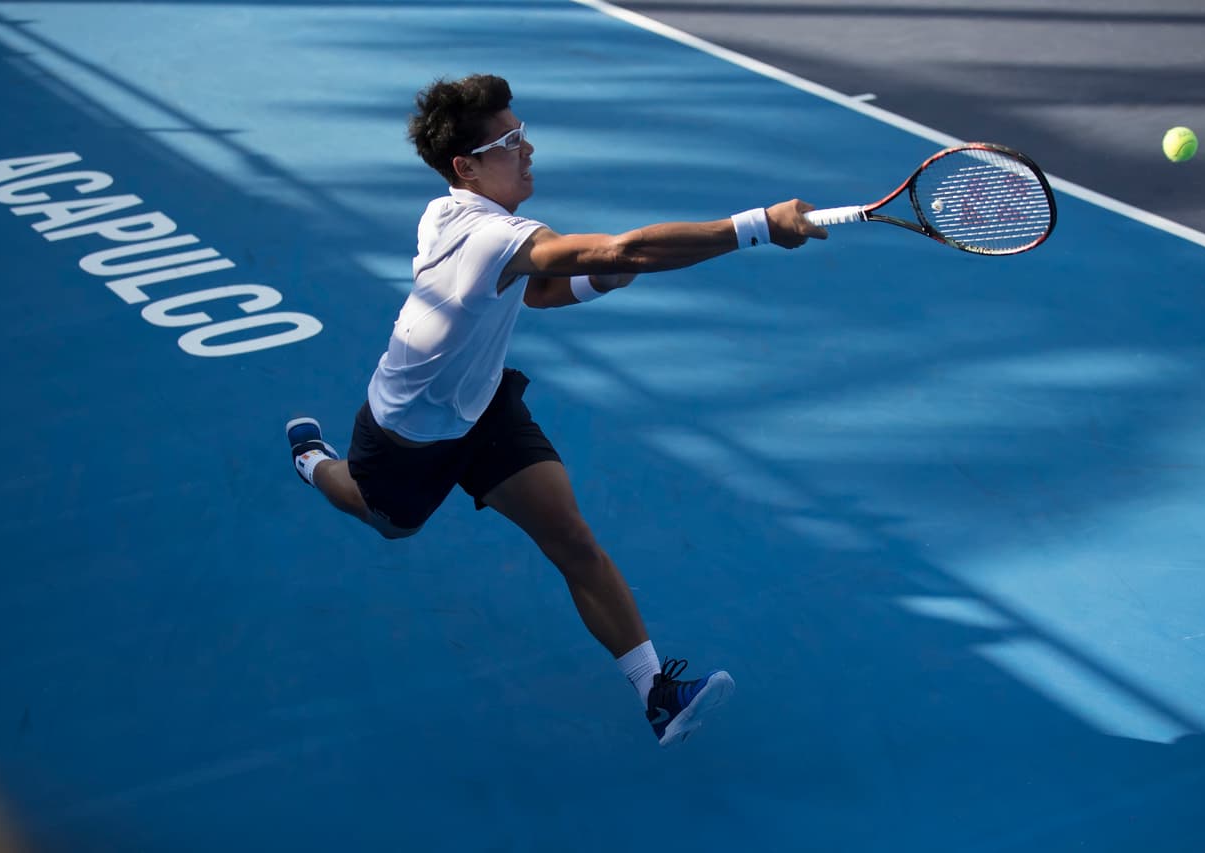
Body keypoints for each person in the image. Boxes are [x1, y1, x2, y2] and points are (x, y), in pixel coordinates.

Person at [286, 73, 827, 747]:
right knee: (385, 519)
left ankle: (657, 690)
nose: (529, 148)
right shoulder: (482, 235)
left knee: (571, 538)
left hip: (480, 410)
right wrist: (757, 227)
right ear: (467, 166)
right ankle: (313, 462)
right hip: (406, 436)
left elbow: (536, 292)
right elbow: (622, 248)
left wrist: (601, 279)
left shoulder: (461, 218)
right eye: (512, 140)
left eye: (522, 133)